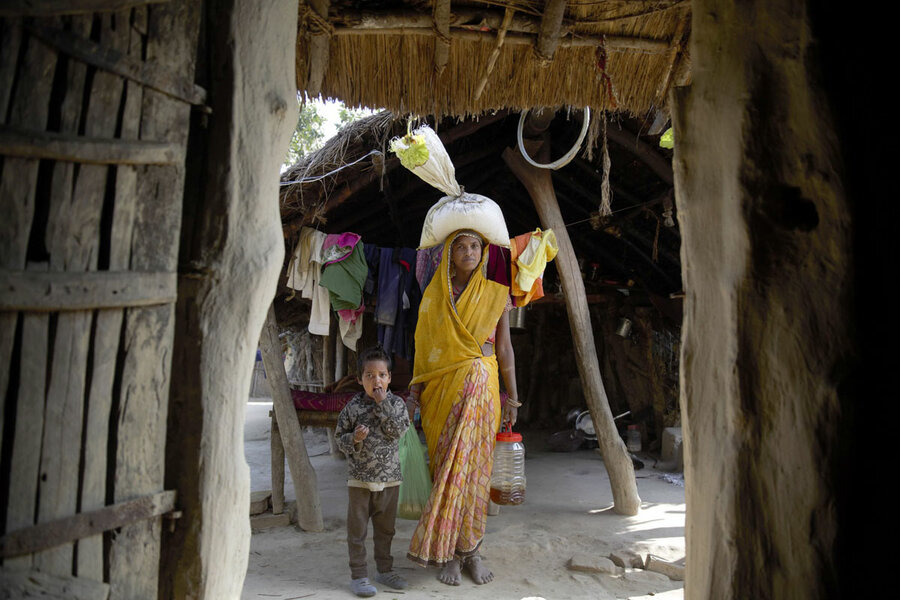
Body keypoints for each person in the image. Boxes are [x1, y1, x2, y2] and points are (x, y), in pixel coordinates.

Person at [406, 229, 521, 586]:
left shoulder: (496, 294)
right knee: (446, 469)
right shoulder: (434, 297)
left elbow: (504, 350)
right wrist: (414, 393)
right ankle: (449, 554)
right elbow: (423, 351)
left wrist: (512, 397)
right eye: (461, 247)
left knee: (476, 473)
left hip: (484, 391)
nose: (469, 252)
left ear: (483, 252)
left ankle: (471, 551)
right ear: (449, 254)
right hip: (442, 394)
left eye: (475, 246)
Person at [335, 346, 411, 597]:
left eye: (381, 375)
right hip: (360, 480)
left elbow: (398, 430)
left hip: (389, 480)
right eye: (369, 375)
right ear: (359, 379)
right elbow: (339, 438)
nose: (376, 381)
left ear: (389, 377)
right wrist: (354, 439)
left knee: (386, 529)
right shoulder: (353, 406)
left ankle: (385, 570)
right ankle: (359, 576)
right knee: (357, 531)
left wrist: (383, 403)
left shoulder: (397, 404)